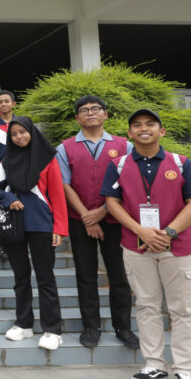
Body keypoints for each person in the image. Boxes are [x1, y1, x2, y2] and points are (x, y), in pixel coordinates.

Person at [103, 108, 191, 379]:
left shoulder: (181, 163)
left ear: (162, 131)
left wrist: (168, 233)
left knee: (182, 309)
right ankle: (154, 364)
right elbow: (112, 203)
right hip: (136, 247)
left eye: (150, 124)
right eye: (136, 125)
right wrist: (142, 231)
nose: (143, 128)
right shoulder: (120, 164)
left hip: (178, 247)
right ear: (129, 134)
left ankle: (185, 369)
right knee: (147, 306)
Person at [55, 96, 139, 350]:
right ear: (77, 118)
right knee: (85, 274)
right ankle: (91, 326)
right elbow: (64, 184)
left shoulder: (125, 146)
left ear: (105, 114)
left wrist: (102, 211)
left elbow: (129, 182)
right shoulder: (65, 147)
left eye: (95, 109)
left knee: (119, 275)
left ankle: (123, 327)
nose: (90, 113)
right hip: (79, 220)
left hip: (115, 219)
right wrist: (87, 217)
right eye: (84, 110)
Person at [0, 116, 68, 351]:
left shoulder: (48, 159)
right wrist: (10, 198)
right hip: (14, 225)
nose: (19, 137)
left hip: (41, 225)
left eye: (23, 132)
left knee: (45, 277)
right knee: (20, 276)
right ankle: (24, 323)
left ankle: (52, 329)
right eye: (14, 133)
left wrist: (59, 228)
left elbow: (58, 195)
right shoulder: (6, 160)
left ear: (31, 133)